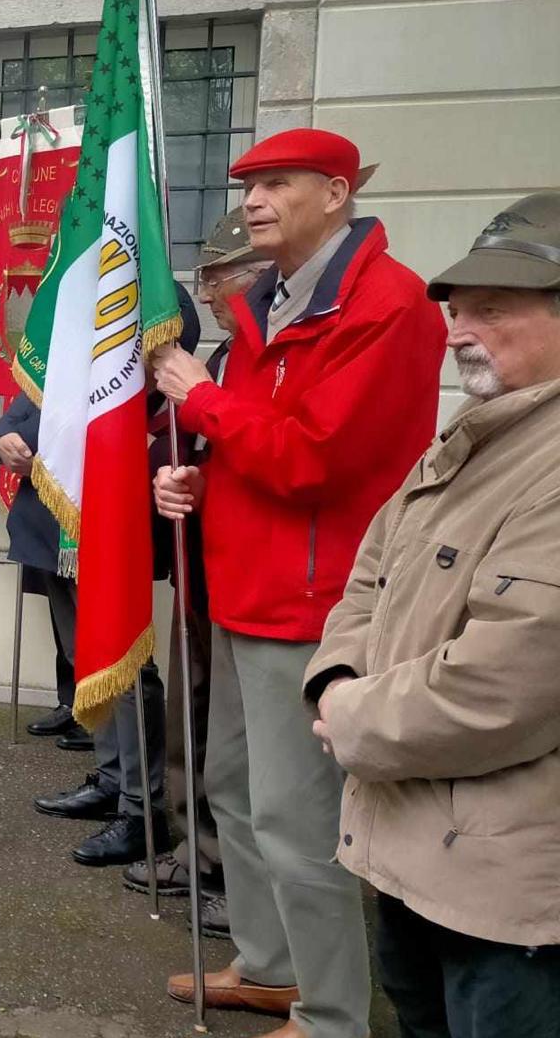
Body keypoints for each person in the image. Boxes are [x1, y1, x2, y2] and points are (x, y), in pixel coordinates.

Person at [152, 128, 446, 1038]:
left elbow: (317, 457)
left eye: (276, 183)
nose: (252, 199)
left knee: (296, 813)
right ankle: (273, 966)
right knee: (235, 788)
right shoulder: (269, 304)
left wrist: (200, 400)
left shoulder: (389, 306)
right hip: (243, 583)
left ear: (336, 191)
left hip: (312, 601)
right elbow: (259, 440)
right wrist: (193, 477)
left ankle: (332, 1015)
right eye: (248, 185)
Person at [305, 190, 560, 1038]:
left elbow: (509, 681)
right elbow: (375, 565)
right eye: (457, 308)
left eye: (491, 308)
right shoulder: (481, 430)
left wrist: (351, 715)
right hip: (416, 855)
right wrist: (337, 675)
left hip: (508, 893)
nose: (456, 330)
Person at [0, 284, 198, 867]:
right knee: (91, 656)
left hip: (114, 505)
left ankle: (142, 802)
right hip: (56, 517)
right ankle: (113, 780)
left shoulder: (152, 288)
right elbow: (38, 390)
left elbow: (164, 365)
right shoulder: (77, 299)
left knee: (126, 659)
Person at [125, 209, 271, 932]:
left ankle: (230, 869)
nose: (207, 293)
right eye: (207, 278)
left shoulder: (269, 359)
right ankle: (197, 849)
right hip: (203, 566)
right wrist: (181, 483)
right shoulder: (222, 359)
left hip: (255, 577)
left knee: (238, 743)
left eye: (219, 277)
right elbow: (217, 463)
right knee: (193, 719)